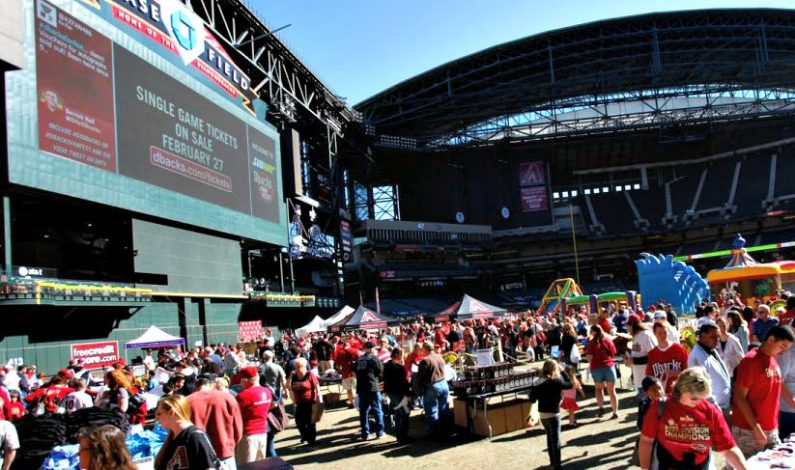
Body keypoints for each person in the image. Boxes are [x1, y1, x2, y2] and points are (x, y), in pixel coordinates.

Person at [639, 367, 747, 470]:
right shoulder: (661, 407)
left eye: (702, 397)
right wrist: (645, 468)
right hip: (668, 465)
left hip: (699, 466)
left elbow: (728, 448)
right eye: (694, 398)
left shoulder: (710, 411)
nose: (698, 402)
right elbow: (646, 441)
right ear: (681, 389)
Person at [732, 325, 795, 459]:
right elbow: (739, 397)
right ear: (771, 339)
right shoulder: (751, 361)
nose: (784, 351)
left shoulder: (772, 359)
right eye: (782, 346)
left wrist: (793, 403)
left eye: (787, 348)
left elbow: (779, 385)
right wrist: (756, 428)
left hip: (771, 430)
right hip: (749, 431)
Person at [187, 377, 243, 470]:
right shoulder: (227, 397)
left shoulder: (187, 401)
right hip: (225, 452)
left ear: (196, 387)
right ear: (213, 385)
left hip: (199, 456)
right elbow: (238, 429)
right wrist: (230, 446)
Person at [154, 395, 221, 470]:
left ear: (171, 412)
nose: (156, 418)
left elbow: (209, 467)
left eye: (158, 414)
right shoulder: (171, 439)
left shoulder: (195, 436)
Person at [529, 359, 572, 470]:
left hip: (542, 414)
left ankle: (553, 463)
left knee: (549, 439)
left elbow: (532, 398)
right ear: (555, 369)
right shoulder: (556, 381)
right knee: (556, 441)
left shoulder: (537, 381)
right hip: (553, 414)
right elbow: (569, 385)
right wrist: (563, 372)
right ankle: (557, 465)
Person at [688, 320, 732, 413]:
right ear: (702, 336)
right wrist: (715, 408)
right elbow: (699, 386)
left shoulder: (711, 349)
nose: (717, 340)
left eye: (717, 337)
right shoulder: (696, 356)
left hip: (723, 407)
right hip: (714, 410)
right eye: (713, 337)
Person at [234, 366, 273, 463]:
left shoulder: (243, 395)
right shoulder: (267, 391)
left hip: (247, 435)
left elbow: (235, 415)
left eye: (241, 379)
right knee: (260, 464)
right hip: (263, 432)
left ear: (246, 380)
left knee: (245, 465)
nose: (240, 382)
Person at [584, 324, 619, 419]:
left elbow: (589, 358)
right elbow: (613, 354)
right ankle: (615, 412)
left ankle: (601, 408)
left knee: (599, 389)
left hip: (597, 368)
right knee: (612, 391)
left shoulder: (592, 343)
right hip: (609, 367)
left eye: (591, 331)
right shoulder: (608, 340)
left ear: (593, 332)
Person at [417, 341, 450, 437]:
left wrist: (419, 386)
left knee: (432, 410)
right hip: (444, 384)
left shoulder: (425, 360)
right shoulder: (439, 356)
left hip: (433, 386)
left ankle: (435, 433)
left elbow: (420, 376)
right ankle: (446, 431)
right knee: (444, 409)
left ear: (424, 349)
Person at [645, 321, 688, 394]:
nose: (663, 335)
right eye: (660, 333)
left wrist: (675, 373)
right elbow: (649, 377)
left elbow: (689, 372)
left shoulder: (679, 349)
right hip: (661, 395)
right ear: (654, 334)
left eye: (665, 332)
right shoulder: (652, 354)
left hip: (679, 392)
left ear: (668, 332)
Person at [355, 341, 385, 440]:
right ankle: (380, 432)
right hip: (372, 387)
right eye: (375, 349)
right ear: (371, 349)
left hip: (361, 388)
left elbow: (354, 371)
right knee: (377, 410)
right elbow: (381, 370)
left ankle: (365, 433)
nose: (375, 350)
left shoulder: (359, 359)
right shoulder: (374, 358)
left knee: (364, 412)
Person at [288, 357, 321, 446]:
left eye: (298, 366)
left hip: (310, 401)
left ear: (304, 366)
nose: (297, 368)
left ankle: (312, 441)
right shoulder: (294, 376)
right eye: (296, 366)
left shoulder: (310, 374)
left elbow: (316, 387)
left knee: (310, 422)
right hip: (299, 402)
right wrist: (290, 376)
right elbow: (288, 386)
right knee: (299, 422)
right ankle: (305, 436)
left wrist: (318, 399)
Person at [383, 347, 412, 443]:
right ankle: (403, 437)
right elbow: (404, 382)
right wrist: (408, 394)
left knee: (398, 414)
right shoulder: (399, 368)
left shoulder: (387, 365)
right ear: (399, 355)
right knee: (404, 414)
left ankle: (399, 436)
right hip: (400, 393)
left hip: (391, 392)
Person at [627, 315, 657, 395]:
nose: (626, 328)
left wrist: (635, 360)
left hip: (649, 381)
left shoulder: (646, 335)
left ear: (632, 325)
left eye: (627, 325)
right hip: (639, 381)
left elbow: (654, 356)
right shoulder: (636, 336)